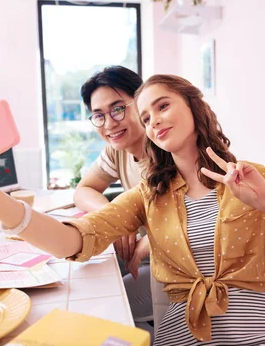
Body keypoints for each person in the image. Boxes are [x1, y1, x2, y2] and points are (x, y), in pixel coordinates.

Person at [0, 74, 265, 345]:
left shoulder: (254, 177)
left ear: (194, 108)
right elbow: (75, 242)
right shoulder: (149, 195)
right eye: (146, 114)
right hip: (185, 338)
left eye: (163, 105)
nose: (154, 119)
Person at [75, 66, 153, 335]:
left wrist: (140, 238)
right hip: (142, 257)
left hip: (177, 263)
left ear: (141, 102)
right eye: (99, 115)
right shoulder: (116, 149)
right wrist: (116, 217)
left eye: (118, 109)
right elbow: (83, 190)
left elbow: (196, 217)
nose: (109, 124)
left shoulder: (166, 149)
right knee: (82, 280)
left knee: (106, 307)